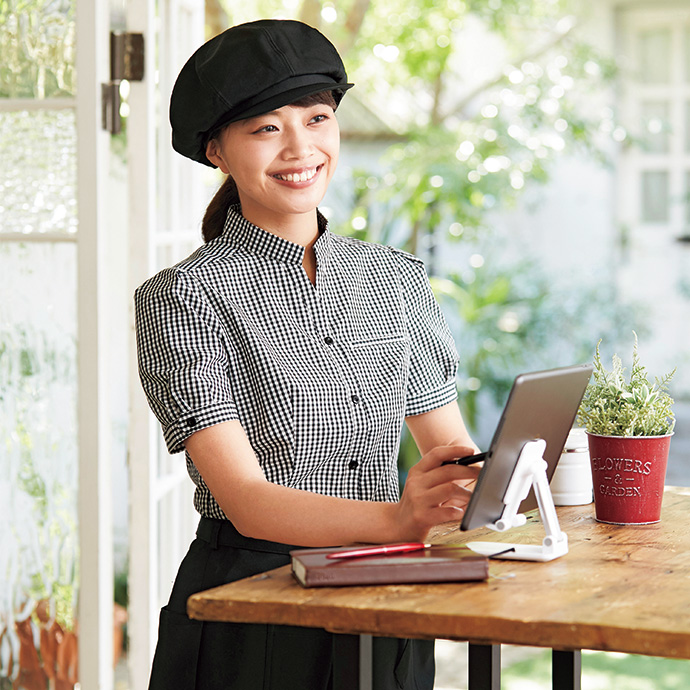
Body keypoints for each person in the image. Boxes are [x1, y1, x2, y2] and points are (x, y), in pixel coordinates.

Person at [134, 18, 480, 690]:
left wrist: (493, 484)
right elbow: (247, 500)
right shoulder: (182, 298)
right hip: (254, 611)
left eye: (316, 118)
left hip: (389, 597)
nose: (300, 147)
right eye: (266, 128)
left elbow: (450, 451)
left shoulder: (395, 278)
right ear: (217, 152)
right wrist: (398, 518)